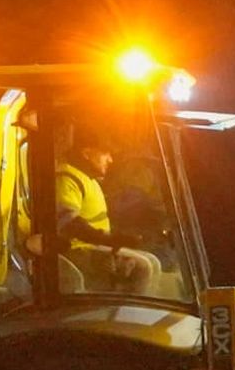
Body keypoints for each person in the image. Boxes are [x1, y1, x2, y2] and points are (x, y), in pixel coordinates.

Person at [55, 126, 160, 294]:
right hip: (77, 250)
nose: (110, 159)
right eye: (105, 153)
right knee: (142, 267)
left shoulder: (89, 179)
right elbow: (69, 223)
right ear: (87, 153)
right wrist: (111, 239)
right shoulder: (67, 178)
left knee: (152, 261)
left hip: (93, 246)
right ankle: (126, 314)